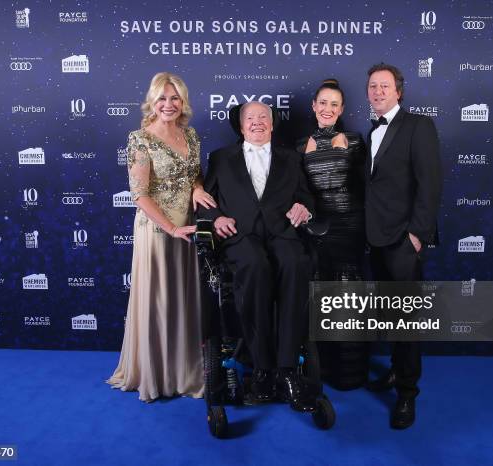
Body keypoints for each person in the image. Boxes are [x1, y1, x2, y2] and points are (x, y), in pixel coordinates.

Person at [107, 72, 216, 402]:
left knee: (183, 299)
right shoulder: (140, 138)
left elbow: (195, 174)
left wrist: (197, 190)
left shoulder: (191, 135)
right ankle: (157, 375)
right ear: (151, 102)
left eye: (175, 98)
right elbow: (139, 194)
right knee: (159, 300)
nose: (168, 105)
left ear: (183, 102)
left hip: (188, 227)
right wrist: (170, 228)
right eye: (162, 99)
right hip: (157, 231)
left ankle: (184, 370)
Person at [200, 101, 316, 411]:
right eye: (250, 118)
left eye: (263, 117)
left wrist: (303, 207)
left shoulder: (291, 158)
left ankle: (288, 369)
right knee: (255, 264)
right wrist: (216, 218)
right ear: (240, 126)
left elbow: (306, 196)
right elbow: (204, 200)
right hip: (240, 235)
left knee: (295, 262)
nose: (257, 123)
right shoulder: (221, 158)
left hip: (281, 232)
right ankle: (262, 368)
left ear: (273, 124)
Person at [364, 63, 442, 428]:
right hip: (376, 238)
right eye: (373, 86)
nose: (378, 91)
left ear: (399, 91)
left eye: (385, 86)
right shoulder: (371, 131)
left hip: (403, 239)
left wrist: (417, 234)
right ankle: (396, 371)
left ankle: (408, 395)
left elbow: (430, 184)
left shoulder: (419, 126)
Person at [296, 79, 369, 389]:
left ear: (342, 110)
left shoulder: (355, 140)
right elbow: (297, 191)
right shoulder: (299, 146)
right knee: (319, 295)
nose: (327, 109)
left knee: (347, 295)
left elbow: (366, 186)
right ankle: (320, 367)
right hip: (315, 229)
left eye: (334, 104)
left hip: (348, 226)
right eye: (322, 103)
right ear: (314, 106)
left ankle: (349, 373)